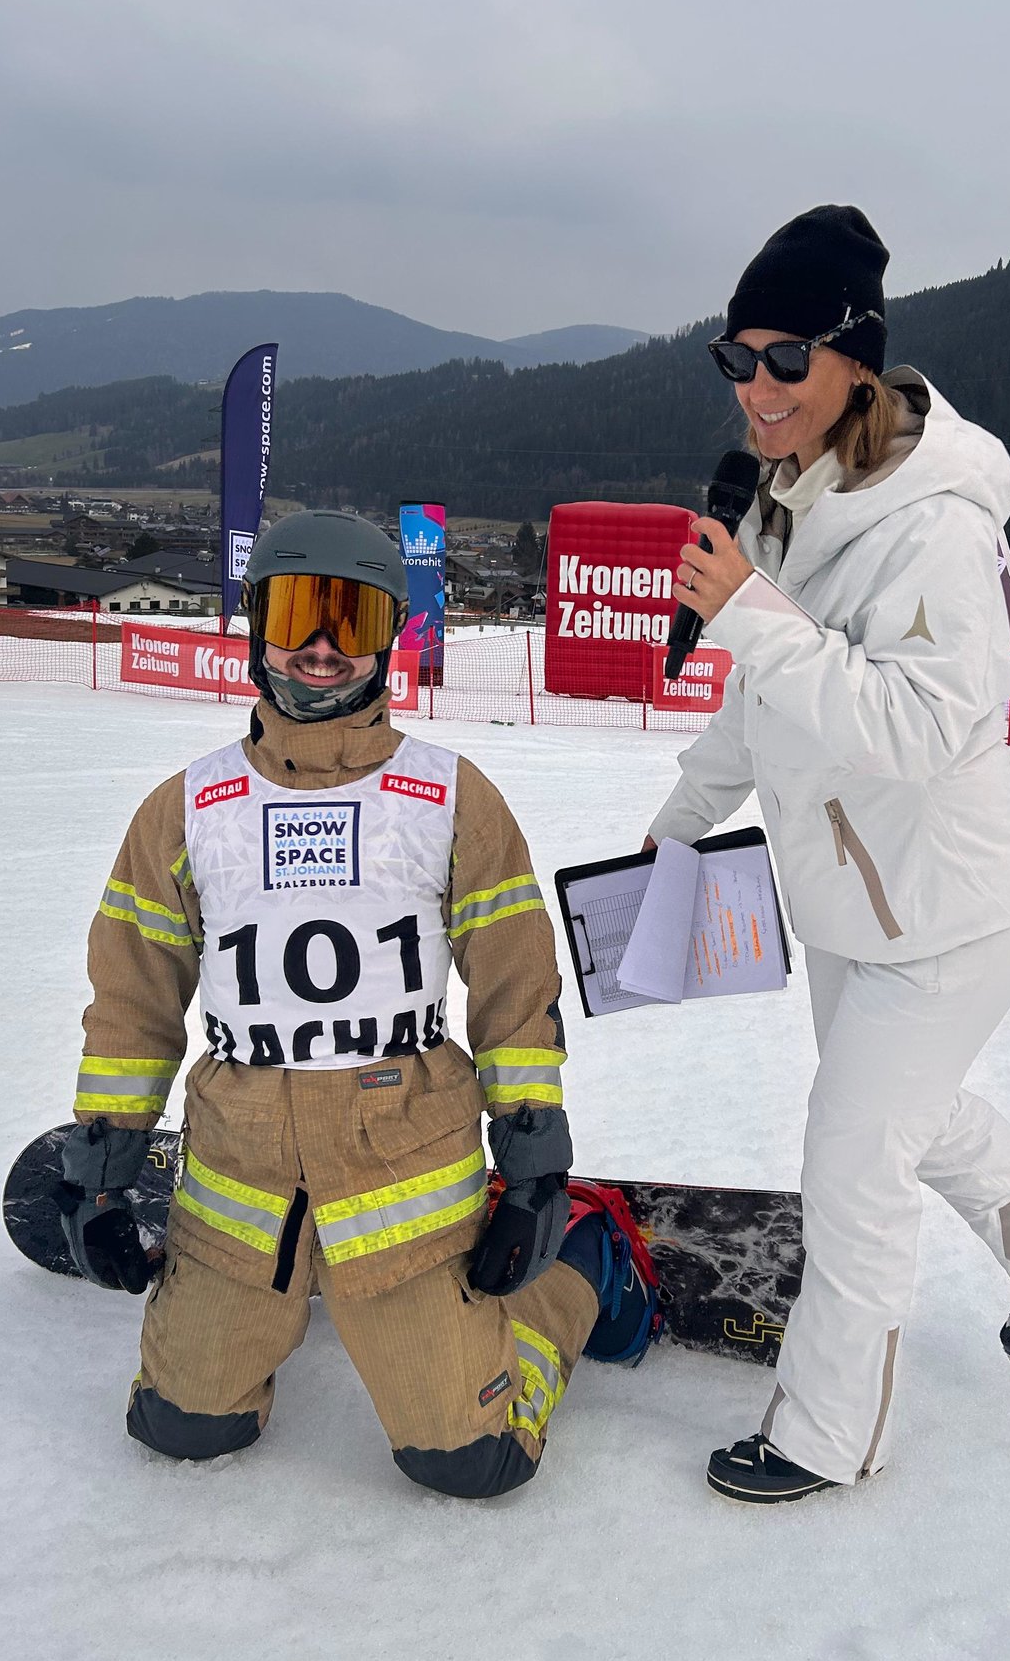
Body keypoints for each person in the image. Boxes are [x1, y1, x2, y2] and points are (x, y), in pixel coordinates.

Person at [647, 205, 1010, 1504]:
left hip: (951, 915)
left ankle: (826, 1430)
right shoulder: (791, 497)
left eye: (785, 359)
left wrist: (753, 615)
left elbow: (922, 727)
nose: (756, 387)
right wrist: (679, 825)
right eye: (735, 359)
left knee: (854, 1155)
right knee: (907, 1113)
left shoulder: (935, 526)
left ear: (855, 361)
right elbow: (764, 699)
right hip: (847, 905)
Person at [57, 510, 654, 1497]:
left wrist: (535, 1162)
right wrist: (102, 1168)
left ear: (390, 638)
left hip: (401, 1174)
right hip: (243, 1177)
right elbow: (132, 1000)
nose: (323, 647)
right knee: (180, 1428)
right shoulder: (187, 809)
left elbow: (514, 981)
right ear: (258, 626)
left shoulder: (449, 797)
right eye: (299, 612)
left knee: (472, 1460)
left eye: (354, 619)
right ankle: (270, 1302)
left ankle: (582, 1267)